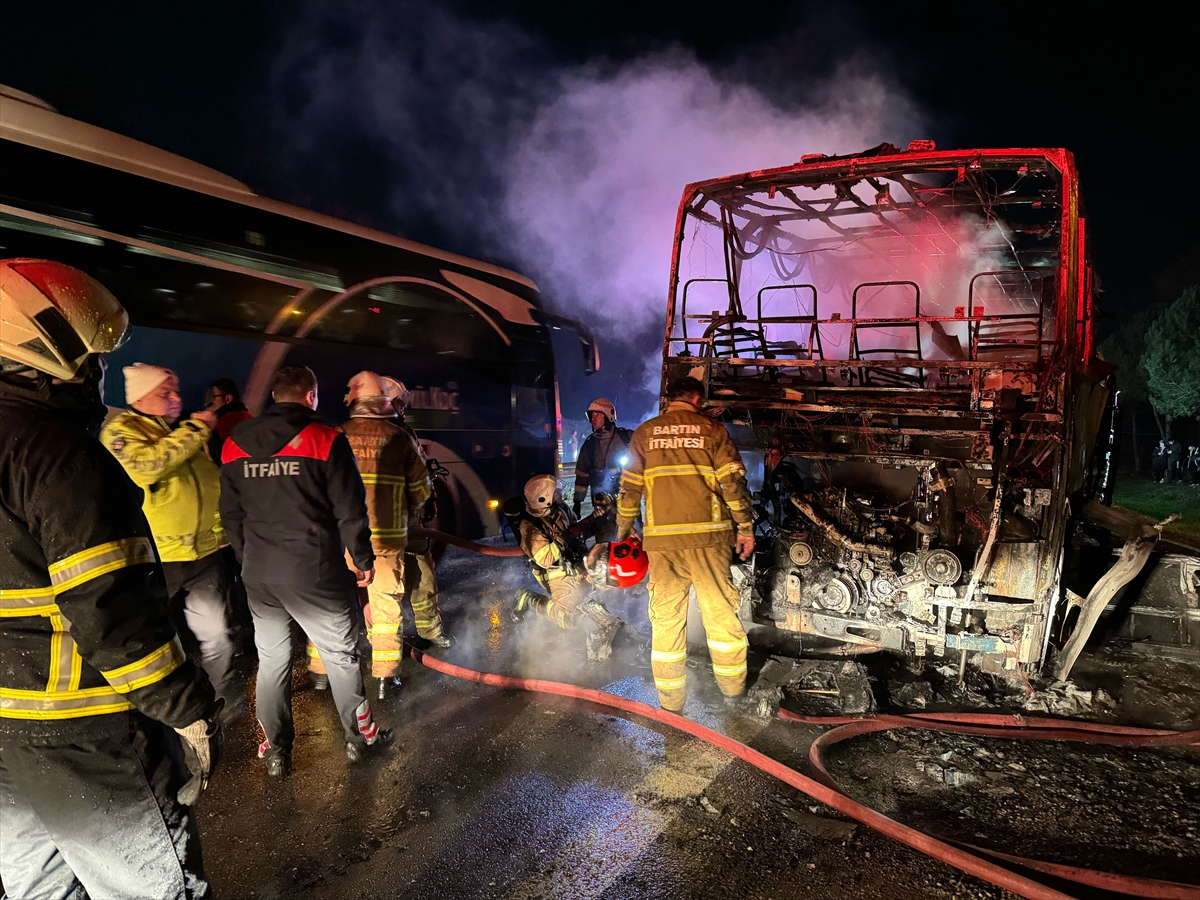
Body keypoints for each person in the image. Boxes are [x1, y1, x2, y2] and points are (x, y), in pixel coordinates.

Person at [0, 258, 222, 899]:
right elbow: (112, 610)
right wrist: (186, 709)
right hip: (86, 731)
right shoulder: (59, 453)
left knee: (39, 890)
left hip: (6, 736)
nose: (97, 371)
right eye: (88, 354)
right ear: (46, 345)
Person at [220, 366, 393, 774]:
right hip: (315, 571)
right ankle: (359, 740)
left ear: (275, 395)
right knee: (340, 656)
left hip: (261, 576)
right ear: (311, 397)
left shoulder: (233, 444)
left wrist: (249, 559)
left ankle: (277, 751)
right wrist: (363, 560)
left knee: (272, 660)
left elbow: (230, 515)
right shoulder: (326, 440)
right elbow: (350, 511)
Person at [101, 364, 237, 712]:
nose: (177, 399)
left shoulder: (179, 433)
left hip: (204, 556)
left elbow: (211, 485)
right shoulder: (121, 432)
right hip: (159, 560)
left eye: (176, 390)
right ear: (140, 397)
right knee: (159, 644)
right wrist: (196, 428)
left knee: (218, 637)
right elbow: (149, 466)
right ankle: (164, 714)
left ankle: (209, 706)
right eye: (166, 392)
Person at [615, 376, 755, 713]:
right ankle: (732, 692)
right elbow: (732, 485)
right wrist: (745, 528)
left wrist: (623, 531)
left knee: (666, 622)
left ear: (669, 399)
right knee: (720, 616)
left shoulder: (645, 434)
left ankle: (671, 704)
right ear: (697, 400)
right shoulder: (713, 431)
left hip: (662, 544)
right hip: (708, 541)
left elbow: (629, 489)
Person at [307, 372, 439, 701]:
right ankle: (385, 678)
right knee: (385, 608)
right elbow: (422, 491)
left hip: (338, 539)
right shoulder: (399, 437)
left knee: (330, 604)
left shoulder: (333, 435)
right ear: (383, 404)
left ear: (352, 401)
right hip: (387, 539)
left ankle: (321, 674)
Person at [512, 475, 625, 661]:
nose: (561, 493)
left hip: (578, 564)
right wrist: (569, 534)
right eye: (556, 492)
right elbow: (546, 559)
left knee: (608, 581)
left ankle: (598, 619)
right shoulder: (529, 526)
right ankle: (529, 600)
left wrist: (595, 521)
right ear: (544, 498)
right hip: (557, 575)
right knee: (570, 618)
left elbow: (579, 532)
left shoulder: (560, 510)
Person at [384, 375, 452, 648]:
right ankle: (390, 643)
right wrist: (427, 502)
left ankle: (429, 631)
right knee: (389, 587)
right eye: (400, 402)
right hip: (397, 522)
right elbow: (418, 476)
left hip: (402, 521)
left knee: (422, 575)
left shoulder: (394, 431)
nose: (404, 407)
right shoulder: (397, 434)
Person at [573, 398, 634, 539]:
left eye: (598, 415)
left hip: (627, 500)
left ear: (609, 416)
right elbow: (582, 477)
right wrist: (577, 502)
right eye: (592, 416)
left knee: (631, 538)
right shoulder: (589, 446)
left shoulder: (627, 438)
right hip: (602, 504)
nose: (593, 419)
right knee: (604, 540)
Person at [204, 376, 252, 461]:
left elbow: (215, 458)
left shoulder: (218, 425)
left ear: (227, 398)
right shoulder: (252, 420)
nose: (210, 403)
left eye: (213, 397)